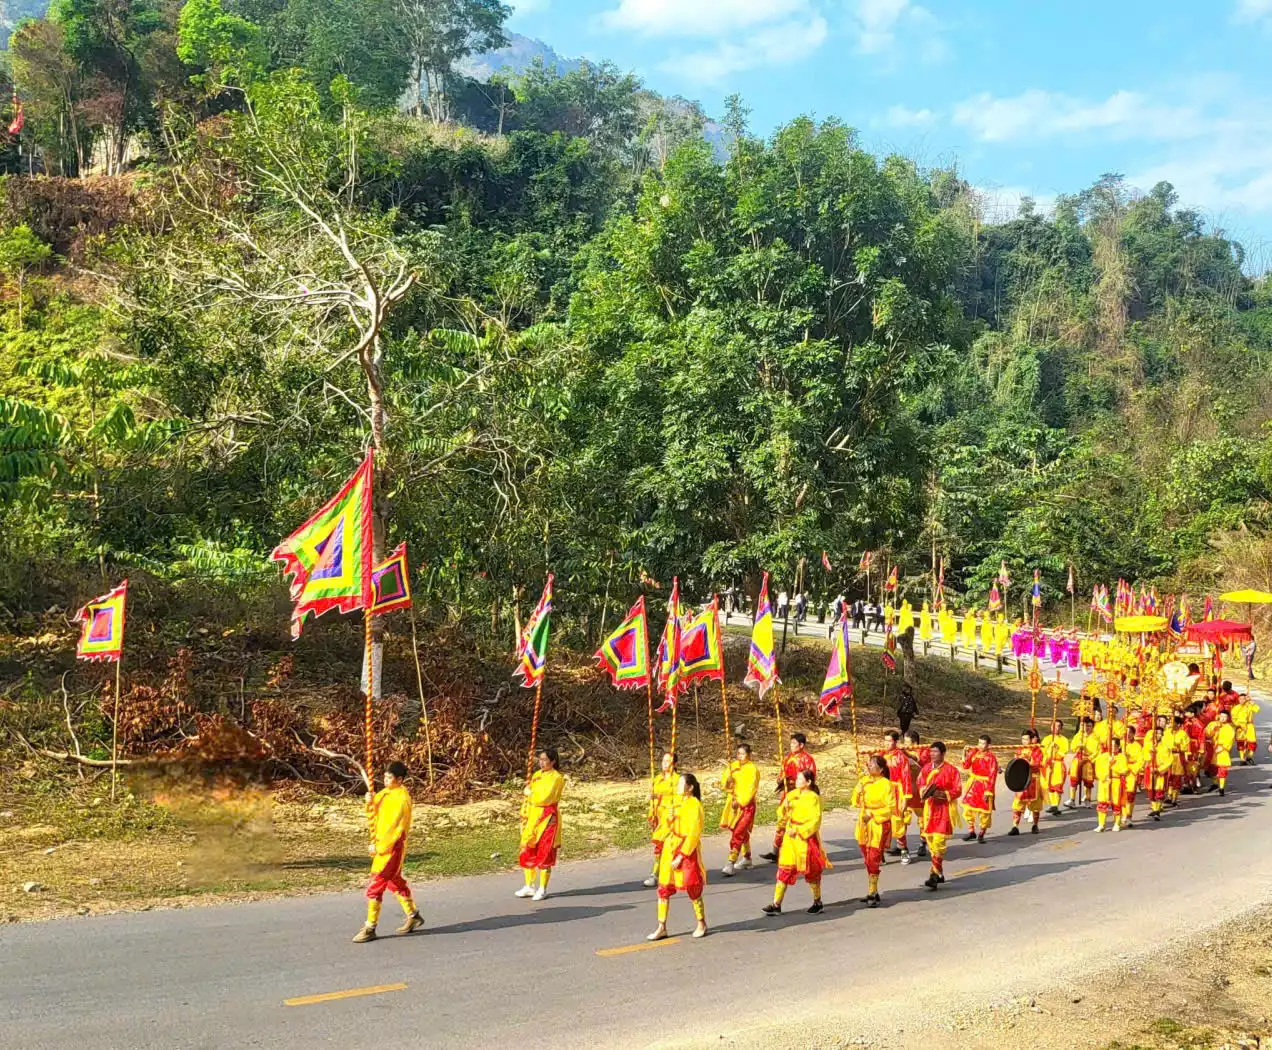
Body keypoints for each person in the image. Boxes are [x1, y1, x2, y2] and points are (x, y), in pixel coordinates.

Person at [353, 761, 423, 943]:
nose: (385, 780)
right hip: (382, 846)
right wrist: (369, 803)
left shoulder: (401, 799)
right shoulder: (385, 794)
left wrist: (380, 846)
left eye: (389, 777)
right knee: (394, 882)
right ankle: (413, 914)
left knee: (377, 884)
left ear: (399, 779)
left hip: (392, 847)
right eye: (384, 776)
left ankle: (370, 927)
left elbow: (394, 828)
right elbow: (374, 817)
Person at [647, 773, 708, 941]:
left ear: (690, 787)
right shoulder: (675, 803)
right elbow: (666, 826)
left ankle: (701, 922)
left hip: (687, 850)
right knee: (663, 887)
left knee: (692, 886)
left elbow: (693, 834)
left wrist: (681, 856)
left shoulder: (695, 806)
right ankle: (662, 926)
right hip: (670, 847)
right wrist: (666, 819)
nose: (678, 787)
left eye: (681, 784)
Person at [763, 769, 831, 915]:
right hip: (790, 838)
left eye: (800, 779)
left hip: (805, 839)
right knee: (784, 869)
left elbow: (815, 821)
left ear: (808, 782)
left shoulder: (813, 798)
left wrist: (800, 831)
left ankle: (817, 901)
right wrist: (784, 807)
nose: (797, 781)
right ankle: (776, 904)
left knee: (811, 871)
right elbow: (781, 814)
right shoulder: (792, 794)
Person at [517, 747, 564, 901]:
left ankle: (543, 888)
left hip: (547, 817)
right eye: (540, 759)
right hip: (533, 817)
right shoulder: (537, 775)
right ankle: (529, 885)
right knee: (527, 847)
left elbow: (544, 797)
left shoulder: (557, 778)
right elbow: (528, 798)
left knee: (545, 852)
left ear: (553, 761)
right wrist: (525, 811)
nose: (541, 762)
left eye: (545, 760)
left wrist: (531, 795)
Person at [849, 757, 896, 908]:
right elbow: (855, 802)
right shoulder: (864, 781)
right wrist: (859, 791)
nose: (869, 766)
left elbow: (890, 808)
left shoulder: (887, 785)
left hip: (878, 824)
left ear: (881, 769)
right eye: (869, 764)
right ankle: (873, 891)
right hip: (864, 823)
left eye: (873, 765)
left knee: (873, 857)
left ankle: (872, 891)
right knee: (866, 856)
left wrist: (874, 815)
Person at [762, 734, 817, 862]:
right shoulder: (788, 758)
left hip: (800, 795)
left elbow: (811, 778)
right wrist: (780, 779)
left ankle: (802, 851)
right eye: (791, 743)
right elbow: (781, 774)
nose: (791, 746)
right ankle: (775, 851)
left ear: (801, 745)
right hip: (787, 794)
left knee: (798, 822)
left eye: (794, 743)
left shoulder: (807, 759)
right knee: (782, 820)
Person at [918, 741, 962, 891]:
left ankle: (934, 875)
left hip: (943, 809)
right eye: (931, 752)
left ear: (943, 754)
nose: (932, 754)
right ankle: (939, 871)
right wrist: (924, 791)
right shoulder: (925, 769)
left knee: (939, 842)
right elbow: (920, 784)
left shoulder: (951, 770)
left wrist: (942, 794)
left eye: (935, 752)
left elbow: (958, 790)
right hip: (929, 809)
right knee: (930, 842)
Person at [719, 744, 759, 875]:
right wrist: (727, 779)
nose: (740, 756)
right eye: (738, 753)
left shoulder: (752, 770)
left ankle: (730, 862)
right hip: (733, 804)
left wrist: (740, 802)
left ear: (749, 755)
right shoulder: (733, 766)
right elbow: (724, 784)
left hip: (746, 806)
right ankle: (747, 857)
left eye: (743, 753)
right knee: (740, 832)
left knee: (738, 832)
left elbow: (751, 789)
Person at [644, 752, 679, 887]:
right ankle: (659, 873)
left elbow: (680, 798)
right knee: (660, 845)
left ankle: (656, 873)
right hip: (659, 816)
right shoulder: (658, 778)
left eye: (668, 761)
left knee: (666, 845)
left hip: (670, 817)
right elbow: (652, 795)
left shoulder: (677, 780)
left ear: (674, 764)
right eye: (663, 760)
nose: (665, 763)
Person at [881, 730, 915, 863]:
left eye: (889, 741)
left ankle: (904, 850)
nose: (887, 743)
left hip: (897, 791)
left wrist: (906, 799)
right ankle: (881, 851)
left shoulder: (901, 757)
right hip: (884, 791)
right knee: (882, 821)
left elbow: (906, 778)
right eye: (885, 740)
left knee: (898, 821)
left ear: (895, 742)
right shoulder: (882, 755)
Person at [961, 734, 999, 843]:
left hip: (985, 785)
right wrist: (965, 754)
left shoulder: (991, 758)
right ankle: (971, 831)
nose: (980, 745)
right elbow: (965, 766)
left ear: (988, 745)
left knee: (984, 812)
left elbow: (992, 775)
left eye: (983, 743)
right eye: (979, 743)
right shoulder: (974, 753)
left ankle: (981, 834)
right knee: (968, 808)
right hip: (973, 784)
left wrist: (988, 791)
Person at [1009, 728, 1044, 836]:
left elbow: (1037, 764)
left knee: (1035, 805)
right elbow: (1015, 763)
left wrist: (1029, 761)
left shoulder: (1037, 750)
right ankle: (1015, 826)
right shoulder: (1019, 750)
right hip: (1022, 780)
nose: (1024, 741)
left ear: (1031, 740)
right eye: (1022, 739)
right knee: (1018, 804)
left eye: (1026, 739)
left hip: (1033, 779)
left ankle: (1035, 825)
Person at [904, 730, 931, 858]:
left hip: (919, 790)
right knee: (903, 818)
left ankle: (922, 843)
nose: (905, 744)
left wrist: (904, 753)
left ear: (914, 742)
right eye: (904, 742)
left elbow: (918, 760)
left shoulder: (924, 751)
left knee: (922, 819)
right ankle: (901, 846)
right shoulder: (903, 752)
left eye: (907, 742)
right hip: (907, 790)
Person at [1093, 737, 1128, 832]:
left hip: (1116, 782)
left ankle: (1117, 823)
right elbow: (1098, 771)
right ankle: (1101, 824)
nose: (1112, 748)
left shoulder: (1121, 757)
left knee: (1116, 803)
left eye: (1115, 746)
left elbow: (1124, 770)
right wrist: (1104, 776)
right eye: (1111, 746)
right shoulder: (1102, 757)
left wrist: (1113, 764)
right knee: (1102, 802)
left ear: (1118, 747)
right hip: (1104, 782)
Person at [1040, 719, 1070, 815]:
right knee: (1050, 786)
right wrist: (1050, 748)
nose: (1055, 728)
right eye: (1053, 726)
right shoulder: (1047, 739)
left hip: (1058, 764)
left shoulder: (1064, 740)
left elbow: (1063, 752)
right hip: (1048, 764)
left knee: (1057, 785)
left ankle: (1056, 805)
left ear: (1061, 728)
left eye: (1058, 726)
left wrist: (1056, 749)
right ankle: (1053, 804)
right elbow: (1043, 751)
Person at [1066, 717, 1096, 808]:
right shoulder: (1079, 735)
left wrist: (1086, 749)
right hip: (1078, 758)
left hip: (1088, 760)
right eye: (1086, 726)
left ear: (1092, 727)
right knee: (1074, 779)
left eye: (1089, 726)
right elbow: (1073, 747)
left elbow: (1096, 751)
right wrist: (1078, 746)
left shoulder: (1095, 737)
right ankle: (1072, 799)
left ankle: (1088, 799)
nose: (1087, 728)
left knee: (1088, 781)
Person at [1207, 709, 1237, 796]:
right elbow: (1207, 734)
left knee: (1222, 769)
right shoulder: (1213, 724)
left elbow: (1230, 740)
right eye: (1222, 716)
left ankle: (1221, 788)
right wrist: (1213, 729)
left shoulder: (1229, 728)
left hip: (1222, 750)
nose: (1223, 718)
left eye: (1225, 717)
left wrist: (1223, 748)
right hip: (1213, 749)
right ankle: (1215, 784)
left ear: (1228, 718)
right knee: (1213, 768)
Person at [1122, 724, 1144, 828]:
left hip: (1131, 773)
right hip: (1121, 772)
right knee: (1121, 795)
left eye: (1130, 733)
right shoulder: (1121, 744)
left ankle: (1129, 816)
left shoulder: (1137, 746)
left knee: (1130, 795)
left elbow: (1140, 760)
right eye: (1126, 733)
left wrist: (1132, 769)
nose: (1128, 735)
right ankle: (1122, 814)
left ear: (1133, 734)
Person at [1148, 726, 1172, 821]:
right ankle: (1154, 809)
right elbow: (1144, 757)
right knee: (1151, 792)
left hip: (1160, 772)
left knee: (1159, 791)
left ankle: (1157, 810)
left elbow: (1169, 760)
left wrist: (1160, 769)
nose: (1158, 735)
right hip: (1150, 771)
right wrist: (1150, 754)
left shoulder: (1165, 747)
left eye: (1159, 734)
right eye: (1156, 733)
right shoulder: (1148, 745)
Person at [1231, 692, 1260, 764]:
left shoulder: (1249, 706)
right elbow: (1233, 719)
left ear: (1246, 699)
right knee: (1241, 743)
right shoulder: (1235, 708)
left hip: (1249, 726)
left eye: (1243, 699)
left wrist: (1251, 701)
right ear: (1238, 699)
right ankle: (1242, 759)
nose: (1242, 700)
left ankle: (1249, 756)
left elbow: (1257, 709)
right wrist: (1239, 725)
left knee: (1252, 742)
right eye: (1240, 699)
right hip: (1240, 727)